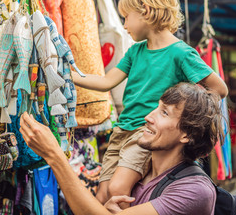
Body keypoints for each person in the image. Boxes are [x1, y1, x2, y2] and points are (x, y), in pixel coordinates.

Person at [71, 0, 228, 206]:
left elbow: (219, 89)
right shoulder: (136, 51)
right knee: (102, 193)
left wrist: (187, 112)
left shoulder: (181, 53)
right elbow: (106, 82)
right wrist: (71, 75)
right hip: (121, 130)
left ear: (145, 10)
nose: (123, 25)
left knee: (117, 188)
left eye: (126, 17)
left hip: (144, 133)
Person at [20, 82, 224, 214]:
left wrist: (54, 155)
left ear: (187, 134)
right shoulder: (138, 175)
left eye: (164, 113)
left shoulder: (195, 191)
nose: (148, 117)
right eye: (157, 107)